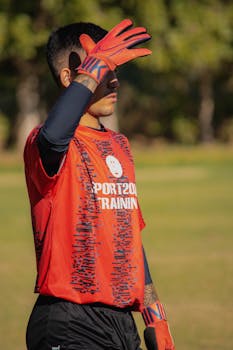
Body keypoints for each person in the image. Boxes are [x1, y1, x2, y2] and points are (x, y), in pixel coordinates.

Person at [24, 19, 175, 350]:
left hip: (122, 322)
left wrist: (154, 314)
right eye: (106, 71)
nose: (115, 80)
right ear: (70, 77)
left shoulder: (120, 144)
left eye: (115, 70)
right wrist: (93, 69)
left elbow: (130, 236)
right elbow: (54, 134)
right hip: (69, 321)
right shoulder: (45, 143)